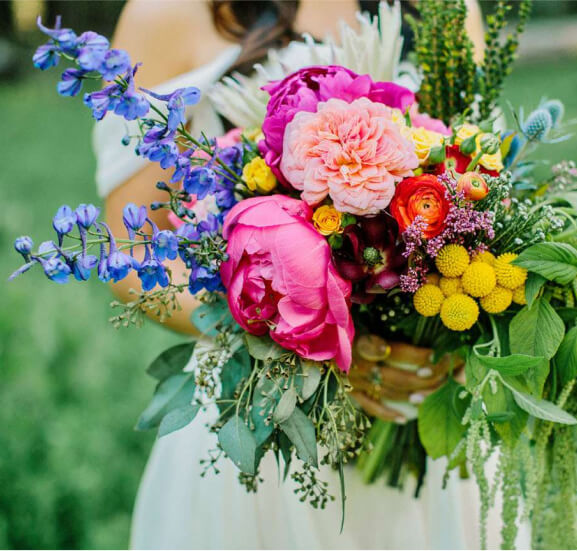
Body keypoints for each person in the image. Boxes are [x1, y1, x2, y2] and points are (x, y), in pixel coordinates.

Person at [94, 1, 528, 548]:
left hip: (423, 413)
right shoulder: (168, 12)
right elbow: (129, 257)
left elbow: (479, 178)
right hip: (262, 422)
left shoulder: (447, 7)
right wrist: (296, 339)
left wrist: (443, 332)